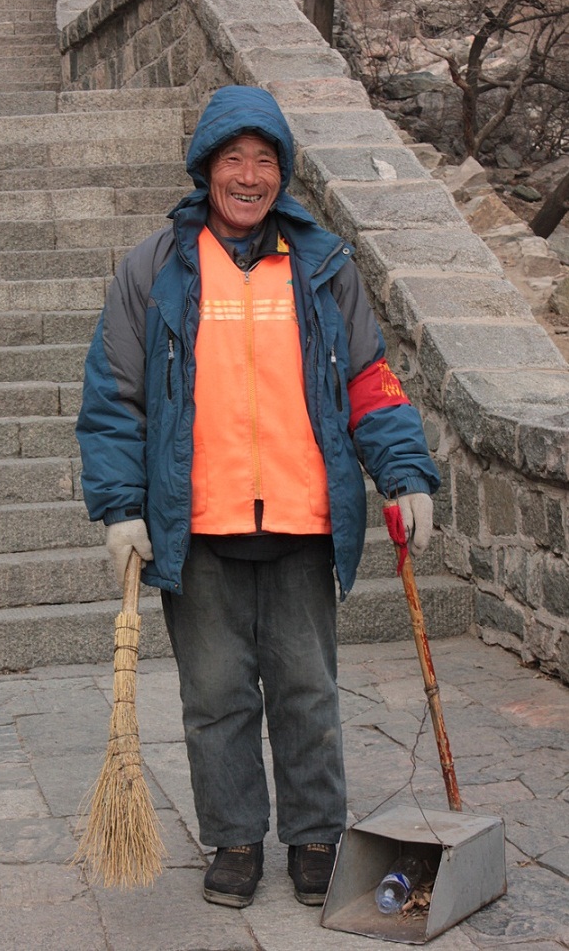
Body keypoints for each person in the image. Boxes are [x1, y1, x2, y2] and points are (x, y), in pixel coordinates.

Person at [76, 85, 439, 909]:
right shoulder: (153, 271)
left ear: (283, 172)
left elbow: (370, 382)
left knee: (308, 692)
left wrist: (404, 471)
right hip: (197, 527)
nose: (248, 176)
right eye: (232, 159)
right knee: (214, 697)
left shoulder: (322, 267)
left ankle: (315, 836)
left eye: (264, 160)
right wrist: (120, 504)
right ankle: (235, 837)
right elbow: (114, 396)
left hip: (303, 522)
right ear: (205, 168)